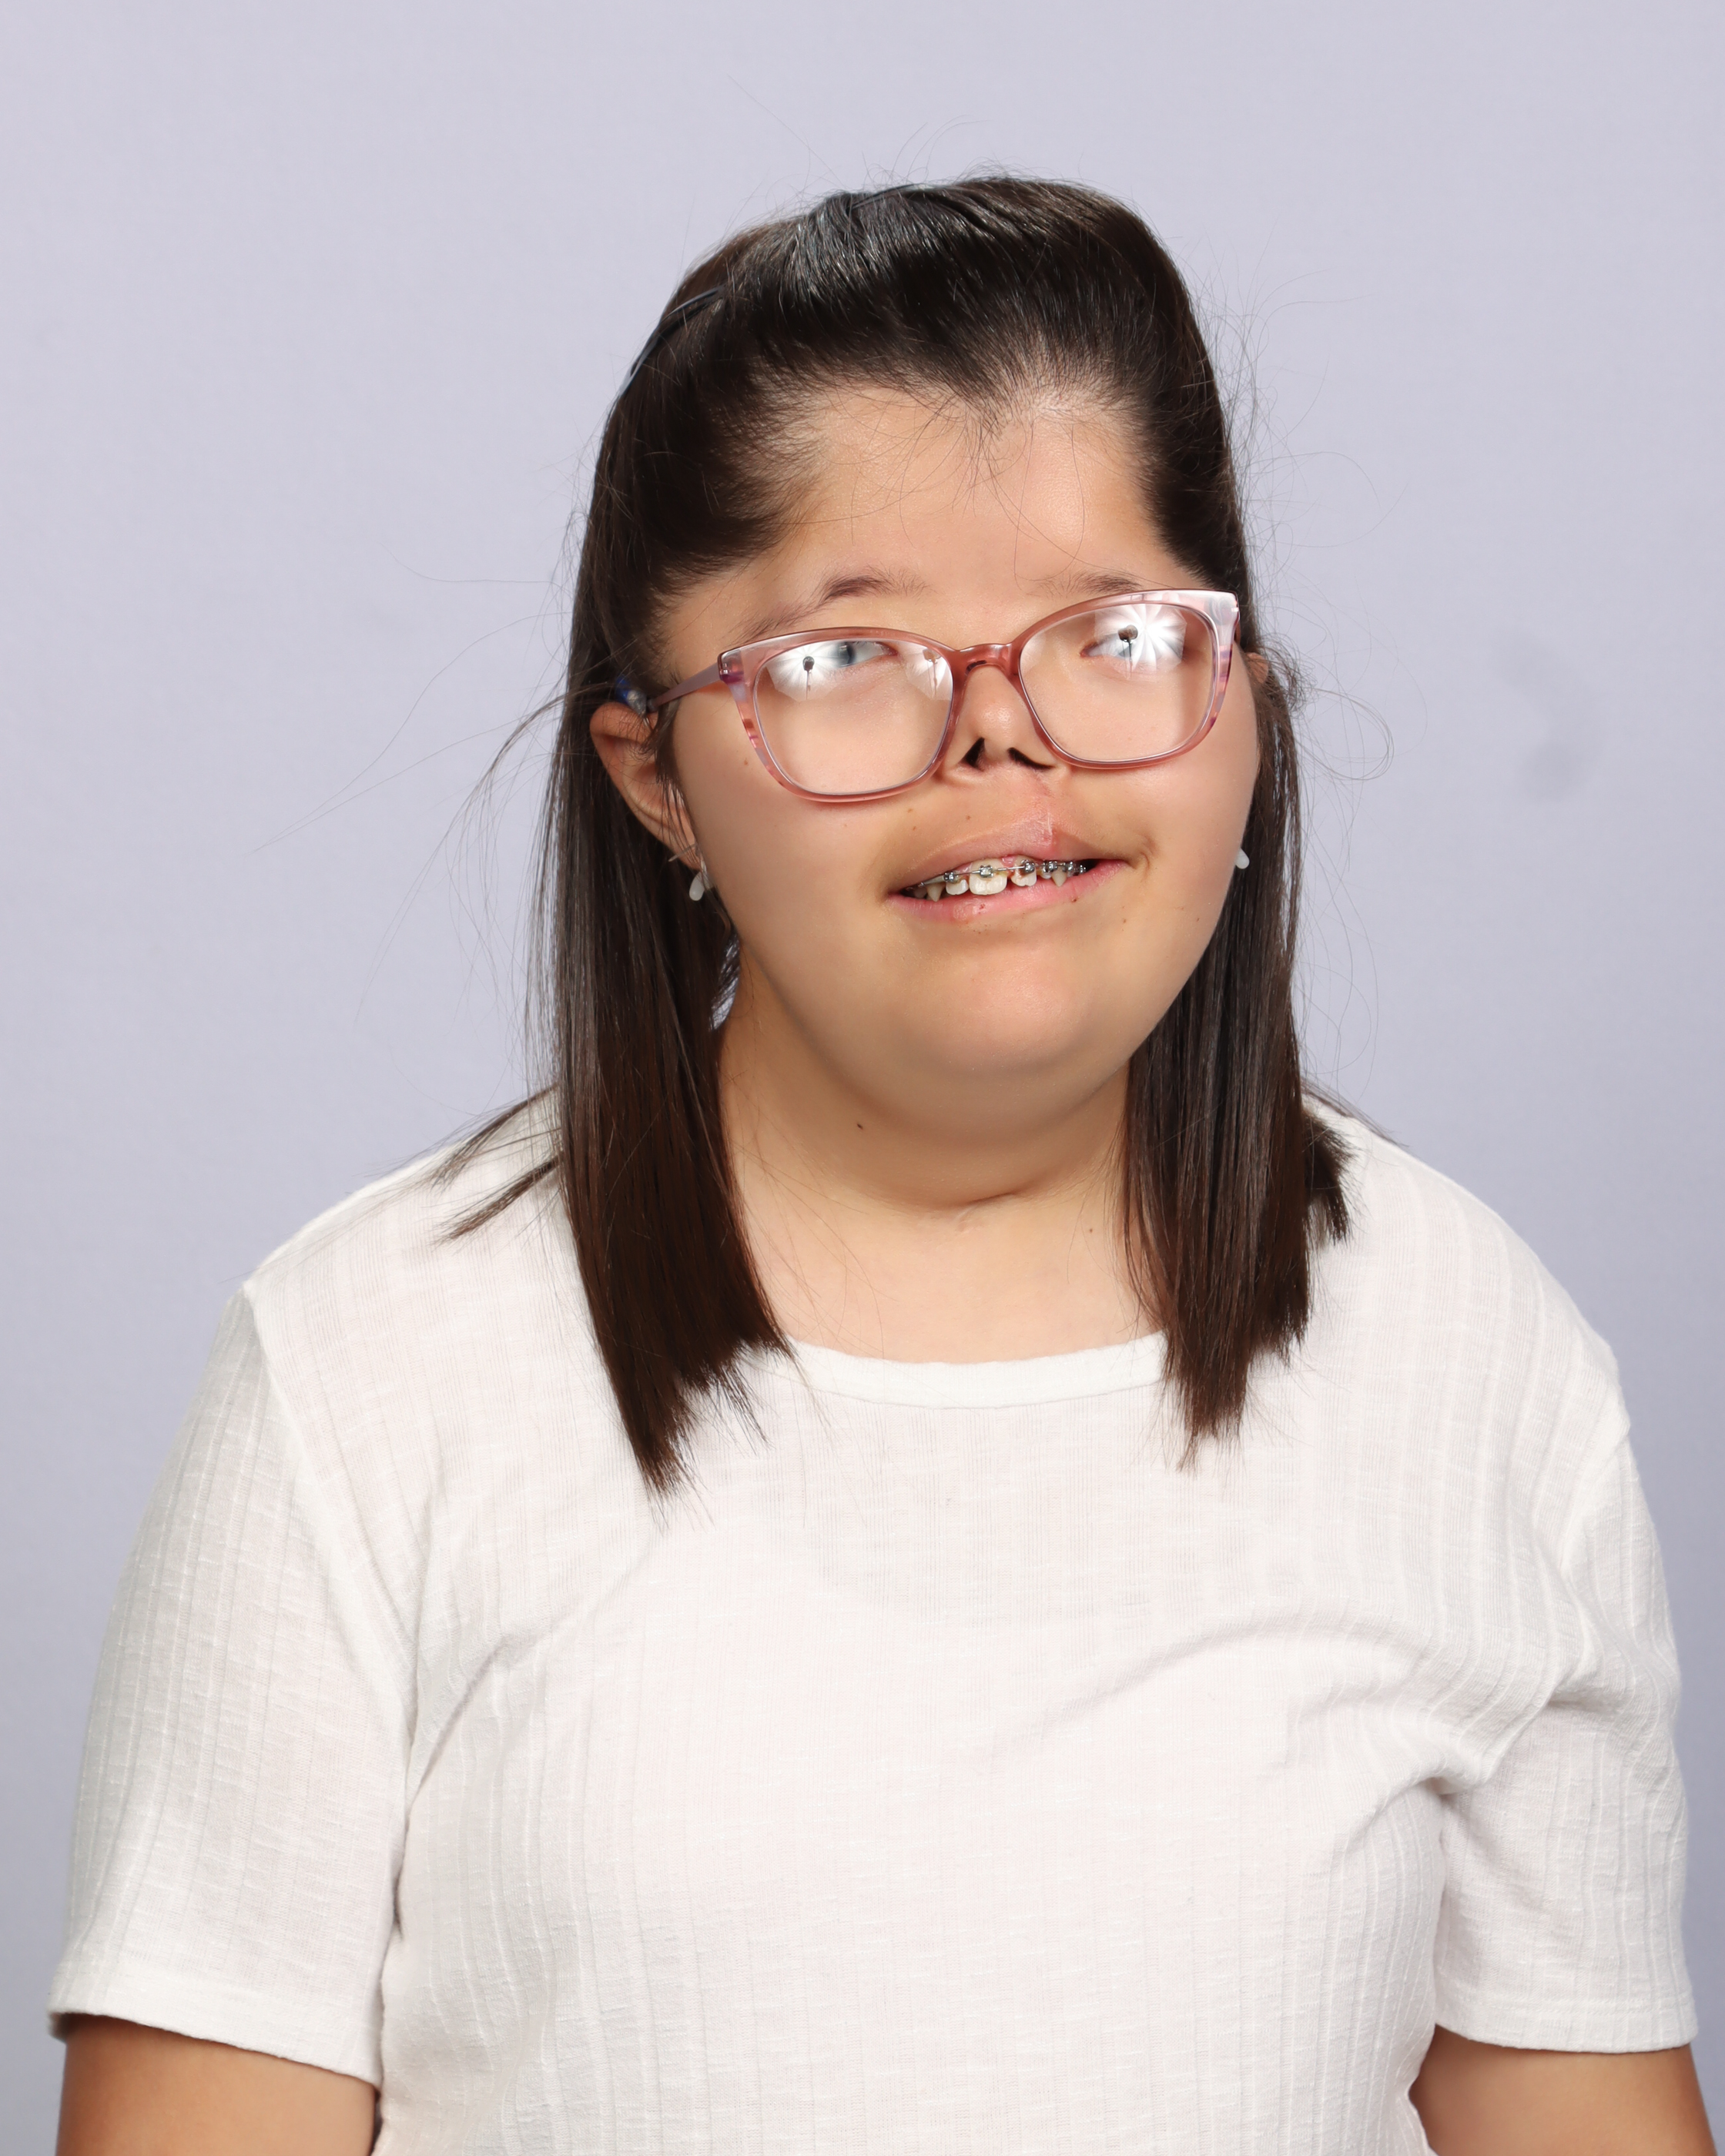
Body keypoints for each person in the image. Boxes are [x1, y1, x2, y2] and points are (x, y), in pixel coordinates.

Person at [51, 179, 1712, 2155]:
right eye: (848, 658)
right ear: (655, 774)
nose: (999, 741)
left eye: (1114, 635)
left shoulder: (1474, 1359)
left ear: (1243, 713)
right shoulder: (361, 1376)